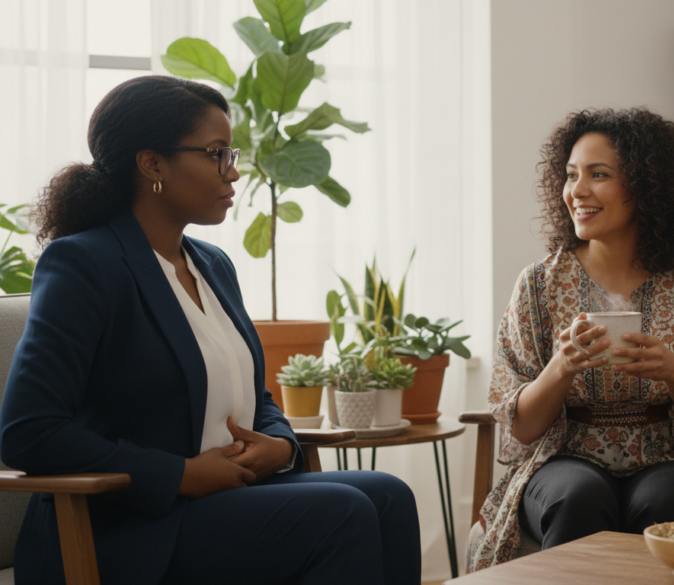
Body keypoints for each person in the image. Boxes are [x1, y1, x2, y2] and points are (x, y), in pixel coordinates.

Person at [0, 76, 421, 585]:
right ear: (152, 163)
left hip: (223, 505)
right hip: (128, 528)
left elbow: (254, 395)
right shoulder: (84, 264)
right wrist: (179, 474)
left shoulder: (213, 265)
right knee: (342, 512)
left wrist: (280, 444)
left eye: (232, 153)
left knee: (387, 495)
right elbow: (28, 430)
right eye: (217, 153)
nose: (235, 173)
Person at [467, 108, 674, 571]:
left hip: (671, 455)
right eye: (570, 175)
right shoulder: (539, 284)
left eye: (598, 175)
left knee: (673, 497)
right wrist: (561, 367)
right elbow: (520, 427)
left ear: (646, 186)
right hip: (565, 456)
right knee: (577, 495)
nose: (577, 191)